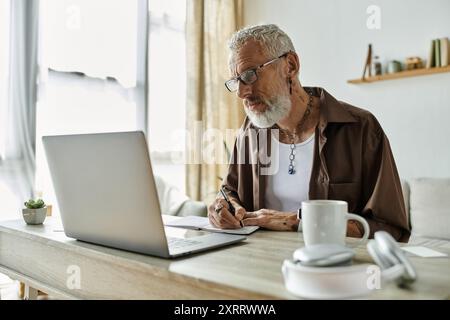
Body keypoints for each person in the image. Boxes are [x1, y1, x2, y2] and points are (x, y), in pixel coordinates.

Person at [208, 24, 410, 242]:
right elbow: (230, 193)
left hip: (335, 267)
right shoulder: (250, 132)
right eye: (235, 81)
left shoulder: (361, 128)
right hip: (260, 264)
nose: (241, 92)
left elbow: (391, 230)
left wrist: (298, 222)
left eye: (249, 75)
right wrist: (222, 207)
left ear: (290, 66)